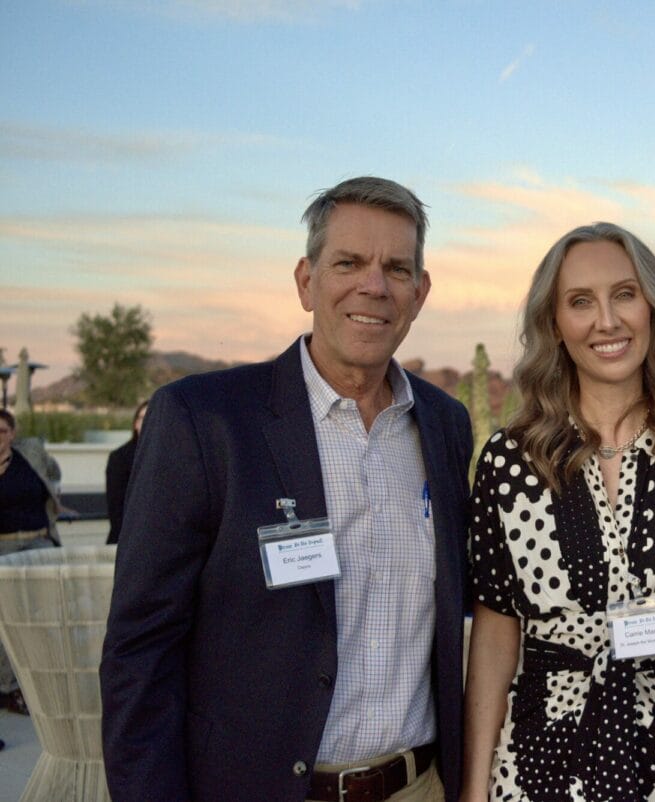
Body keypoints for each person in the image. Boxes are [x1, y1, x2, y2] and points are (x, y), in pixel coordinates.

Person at [100, 177, 473, 802]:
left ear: (420, 292)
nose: (374, 286)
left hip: (419, 786)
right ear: (306, 281)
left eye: (396, 268)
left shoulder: (444, 425)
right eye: (348, 263)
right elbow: (140, 649)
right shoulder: (205, 421)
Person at [461, 223, 655, 801]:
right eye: (581, 302)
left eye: (624, 294)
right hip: (537, 768)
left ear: (652, 308)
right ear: (555, 324)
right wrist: (472, 789)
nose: (607, 321)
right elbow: (495, 634)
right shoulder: (510, 461)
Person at [0, 408, 62, 730]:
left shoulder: (31, 454)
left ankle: (40, 685)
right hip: (4, 548)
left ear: (12, 433)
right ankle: (8, 687)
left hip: (39, 543)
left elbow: (54, 473)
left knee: (44, 615)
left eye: (2, 431)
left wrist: (57, 499)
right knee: (6, 620)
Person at [104, 399, 149, 544]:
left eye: (151, 419)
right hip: (128, 542)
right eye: (143, 418)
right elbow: (116, 508)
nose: (147, 423)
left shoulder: (172, 456)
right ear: (135, 423)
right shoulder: (120, 458)